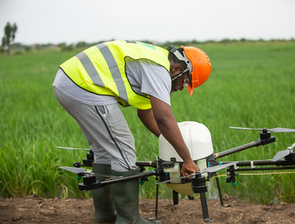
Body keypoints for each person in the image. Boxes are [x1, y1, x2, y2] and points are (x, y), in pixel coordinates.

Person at [52, 40, 211, 224]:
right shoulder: (159, 70)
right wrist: (189, 160)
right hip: (85, 86)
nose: (183, 87)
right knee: (124, 149)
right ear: (177, 69)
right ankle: (129, 220)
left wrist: (171, 146)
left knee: (105, 152)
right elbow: (164, 119)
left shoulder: (156, 62)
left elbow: (146, 113)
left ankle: (105, 216)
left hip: (70, 82)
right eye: (186, 81)